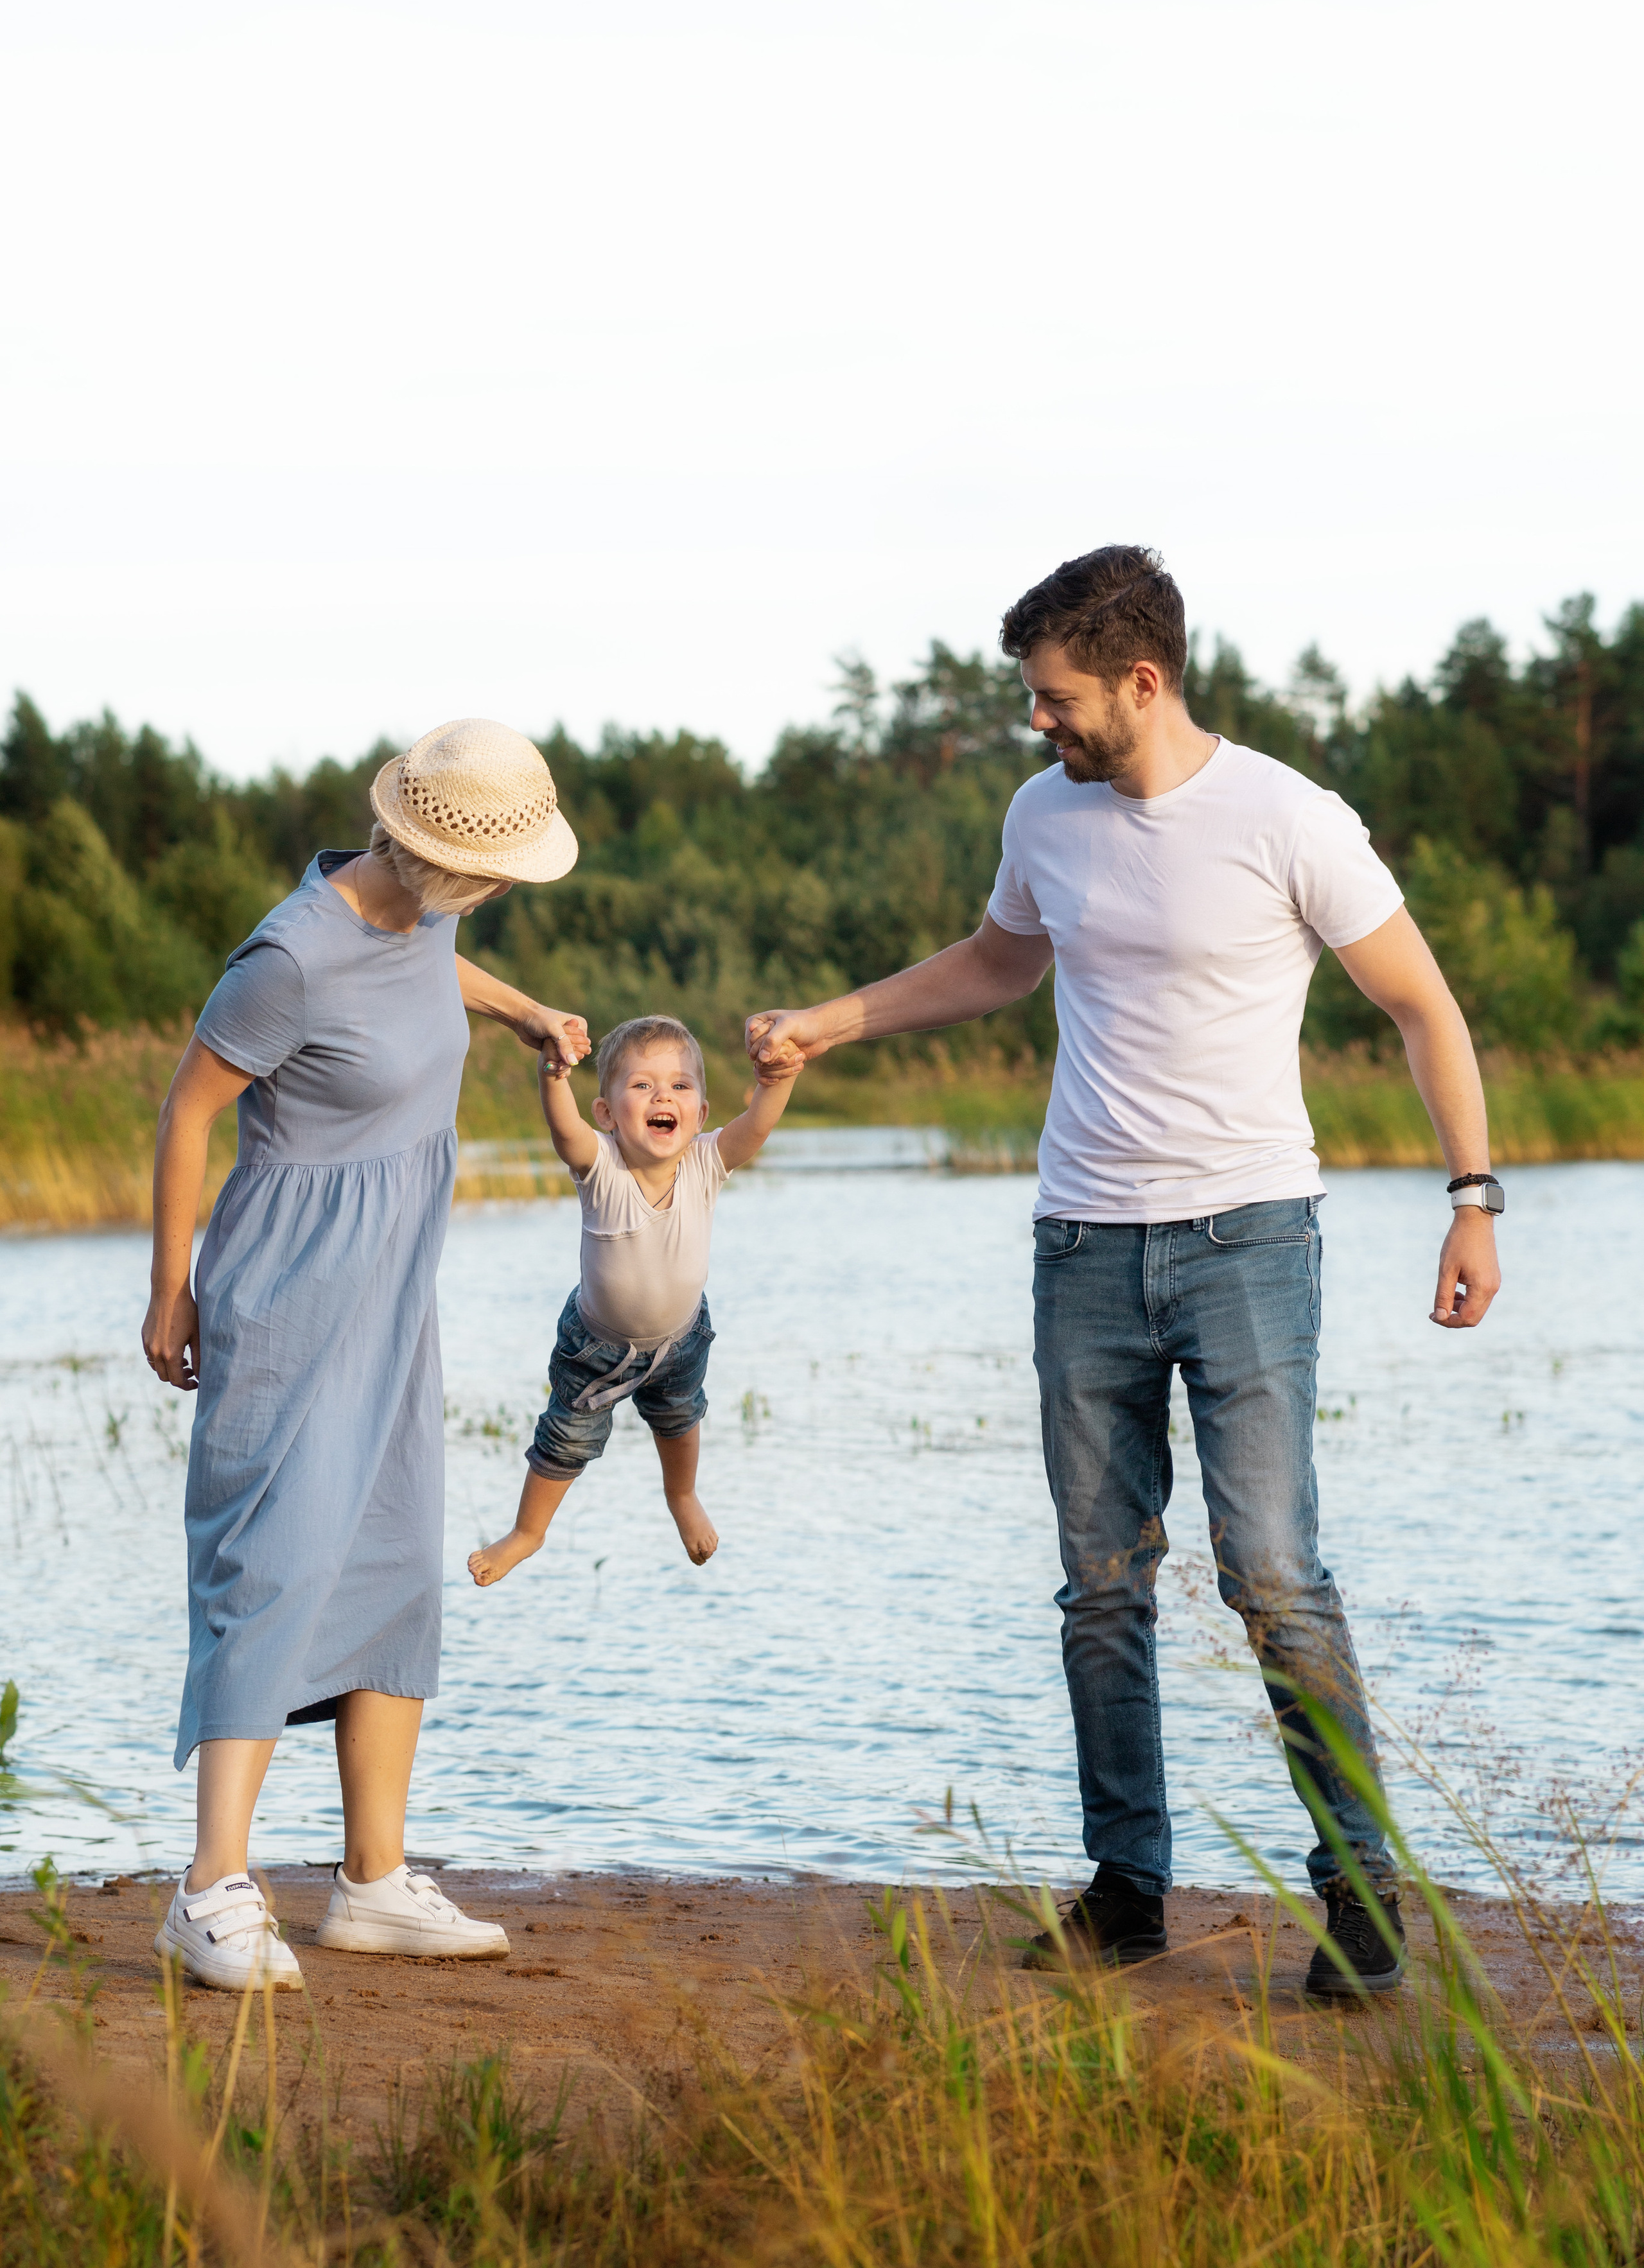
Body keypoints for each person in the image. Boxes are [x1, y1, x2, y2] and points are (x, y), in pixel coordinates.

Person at [748, 546, 1503, 2002]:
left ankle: (1357, 1890)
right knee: (1099, 1585)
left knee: (1273, 1578)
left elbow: (1418, 1003)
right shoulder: (1046, 814)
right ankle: (1126, 1890)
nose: (1041, 725)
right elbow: (995, 959)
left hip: (1248, 1242)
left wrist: (1469, 1198)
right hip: (1079, 1244)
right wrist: (834, 1022)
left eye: (1057, 700)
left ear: (1139, 682)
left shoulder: (1287, 816)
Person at [143, 718, 590, 1991]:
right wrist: (167, 1284)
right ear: (440, 857)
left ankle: (371, 1885)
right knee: (270, 1563)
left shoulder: (424, 920)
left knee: (393, 1557)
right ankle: (210, 1890)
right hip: (289, 1288)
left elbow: (431, 970)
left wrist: (520, 1012)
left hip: (396, 1291)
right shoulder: (289, 957)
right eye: (495, 875)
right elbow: (188, 1105)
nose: (501, 893)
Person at [468, 1012, 800, 1585]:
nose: (661, 1096)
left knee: (680, 1418)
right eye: (641, 1086)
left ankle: (683, 1497)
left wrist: (778, 1079)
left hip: (681, 1340)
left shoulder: (705, 1163)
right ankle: (528, 1532)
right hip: (596, 1347)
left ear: (699, 1113)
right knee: (566, 1438)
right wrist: (554, 1073)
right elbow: (565, 1131)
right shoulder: (603, 1169)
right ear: (607, 1114)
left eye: (678, 1086)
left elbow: (757, 1128)